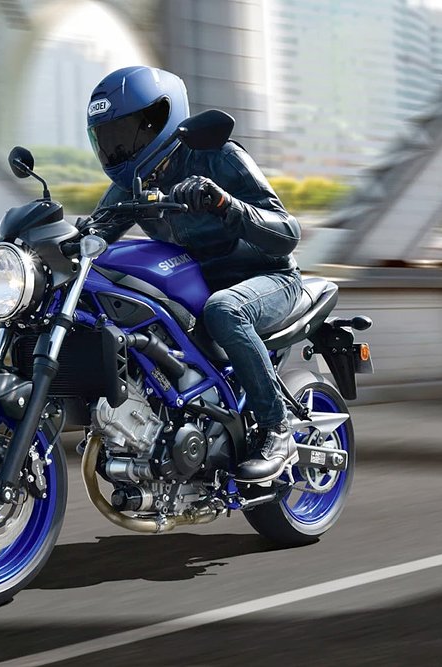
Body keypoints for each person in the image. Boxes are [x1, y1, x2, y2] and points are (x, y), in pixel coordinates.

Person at [86, 66, 303, 483]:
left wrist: (224, 204)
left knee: (225, 310)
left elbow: (287, 234)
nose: (119, 147)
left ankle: (278, 430)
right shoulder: (133, 183)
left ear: (161, 119)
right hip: (197, 284)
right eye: (109, 139)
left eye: (129, 132)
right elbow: (94, 235)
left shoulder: (219, 157)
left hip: (266, 279)